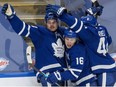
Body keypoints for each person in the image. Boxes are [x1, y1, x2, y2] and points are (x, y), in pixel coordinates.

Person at [46, 4, 116, 86]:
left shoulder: (88, 33)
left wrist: (62, 14)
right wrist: (90, 14)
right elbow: (109, 41)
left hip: (103, 69)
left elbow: (75, 24)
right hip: (107, 66)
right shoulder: (101, 28)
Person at [1, 3, 67, 86]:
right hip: (47, 74)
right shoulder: (39, 32)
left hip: (62, 75)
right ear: (45, 22)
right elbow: (22, 28)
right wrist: (12, 17)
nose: (51, 25)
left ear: (58, 22)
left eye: (54, 22)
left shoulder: (63, 32)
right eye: (49, 22)